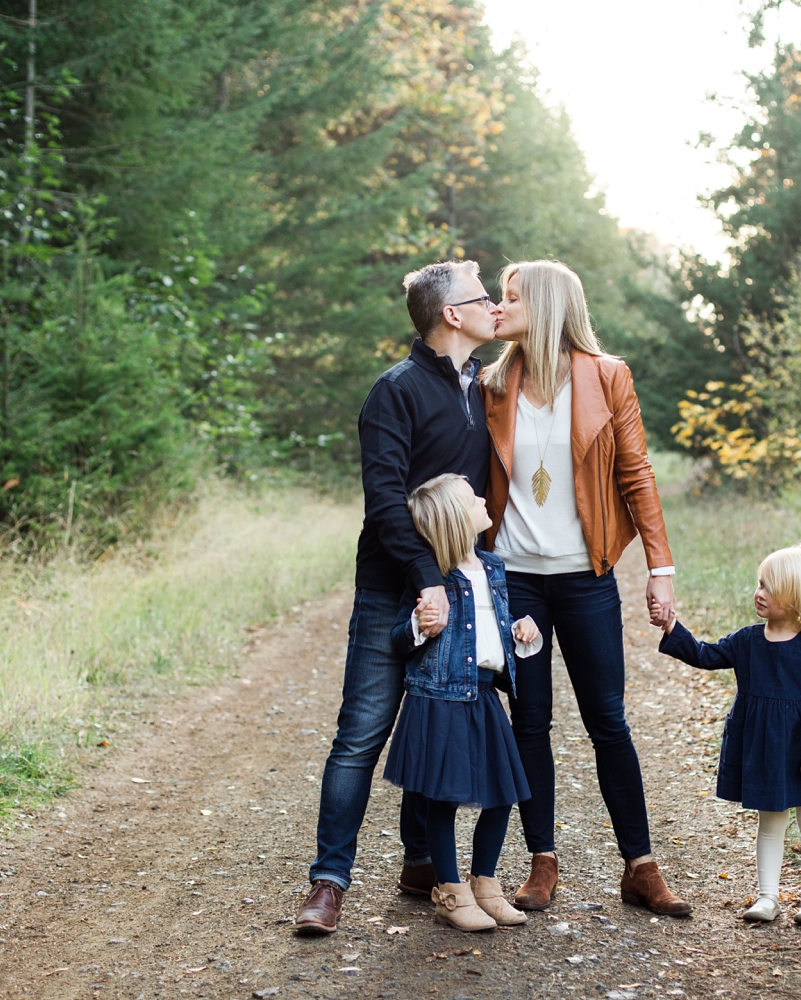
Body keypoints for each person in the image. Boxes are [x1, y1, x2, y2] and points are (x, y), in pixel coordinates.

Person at [295, 260, 498, 936]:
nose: (493, 306)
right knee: (362, 734)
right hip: (393, 588)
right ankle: (328, 883)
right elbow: (385, 502)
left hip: (459, 592)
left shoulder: (483, 388)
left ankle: (420, 864)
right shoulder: (395, 391)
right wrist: (425, 579)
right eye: (482, 298)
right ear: (452, 315)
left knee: (435, 727)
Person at [481, 260, 690, 916]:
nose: (498, 306)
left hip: (586, 578)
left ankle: (641, 866)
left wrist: (660, 567)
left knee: (608, 720)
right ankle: (541, 860)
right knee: (529, 721)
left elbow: (637, 472)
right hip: (516, 581)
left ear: (545, 307)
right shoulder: (490, 384)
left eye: (511, 297)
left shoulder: (606, 376)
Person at [655, 543, 801, 925]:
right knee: (770, 824)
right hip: (767, 750)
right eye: (760, 583)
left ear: (796, 597)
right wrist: (672, 626)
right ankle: (767, 897)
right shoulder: (747, 640)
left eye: (769, 587)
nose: (759, 592)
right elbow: (705, 654)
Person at [384, 474, 542, 931]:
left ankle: (485, 886)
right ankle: (451, 894)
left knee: (503, 793)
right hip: (440, 699)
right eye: (473, 499)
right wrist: (419, 623)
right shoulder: (432, 578)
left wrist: (520, 631)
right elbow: (399, 637)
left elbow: (492, 628)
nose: (483, 500)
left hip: (483, 695)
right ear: (456, 520)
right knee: (445, 799)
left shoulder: (492, 566)